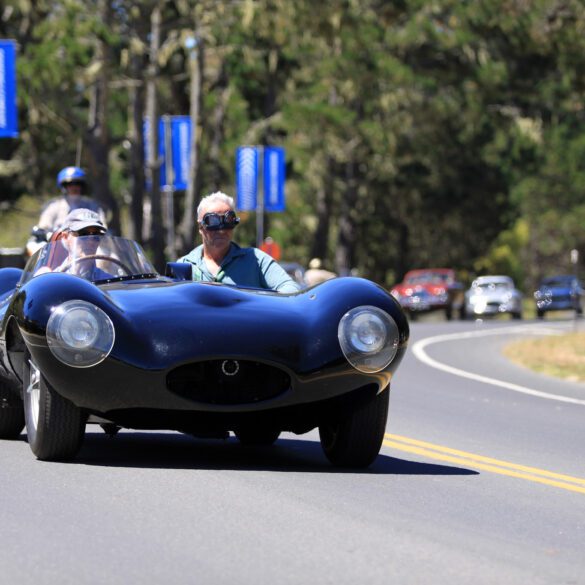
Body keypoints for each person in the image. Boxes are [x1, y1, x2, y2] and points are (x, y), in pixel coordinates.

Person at [177, 191, 299, 293]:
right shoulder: (185, 265)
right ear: (200, 227)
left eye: (228, 221)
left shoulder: (256, 260)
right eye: (212, 221)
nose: (221, 229)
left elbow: (291, 290)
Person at [35, 208, 112, 281]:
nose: (91, 241)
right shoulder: (50, 280)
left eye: (96, 235)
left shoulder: (110, 282)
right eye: (83, 234)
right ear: (65, 237)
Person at [36, 166, 107, 234]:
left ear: (83, 186)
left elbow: (103, 226)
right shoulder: (54, 206)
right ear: (64, 187)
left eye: (78, 184)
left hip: (87, 244)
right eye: (70, 184)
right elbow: (44, 225)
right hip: (58, 244)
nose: (74, 187)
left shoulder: (93, 206)